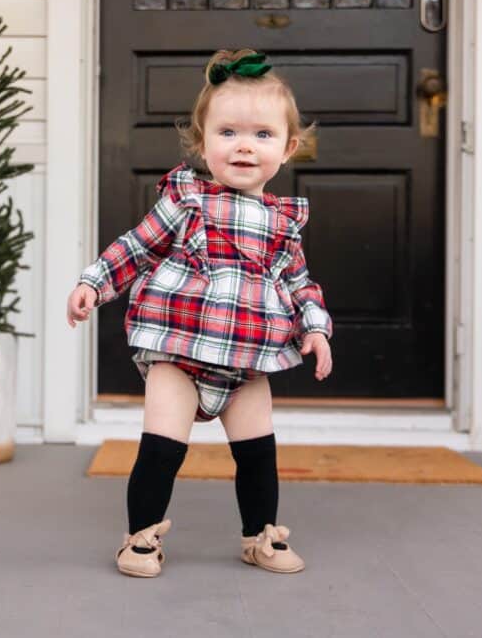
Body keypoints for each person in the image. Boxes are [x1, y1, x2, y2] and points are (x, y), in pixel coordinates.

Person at [66, 49, 333, 578]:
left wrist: (316, 329)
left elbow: (299, 282)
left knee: (257, 452)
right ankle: (140, 537)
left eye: (262, 135)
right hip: (179, 352)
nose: (244, 146)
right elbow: (137, 246)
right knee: (163, 447)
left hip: (249, 360)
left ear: (288, 147)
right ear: (202, 140)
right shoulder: (187, 199)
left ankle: (260, 536)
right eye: (228, 132)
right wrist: (93, 283)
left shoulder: (283, 223)